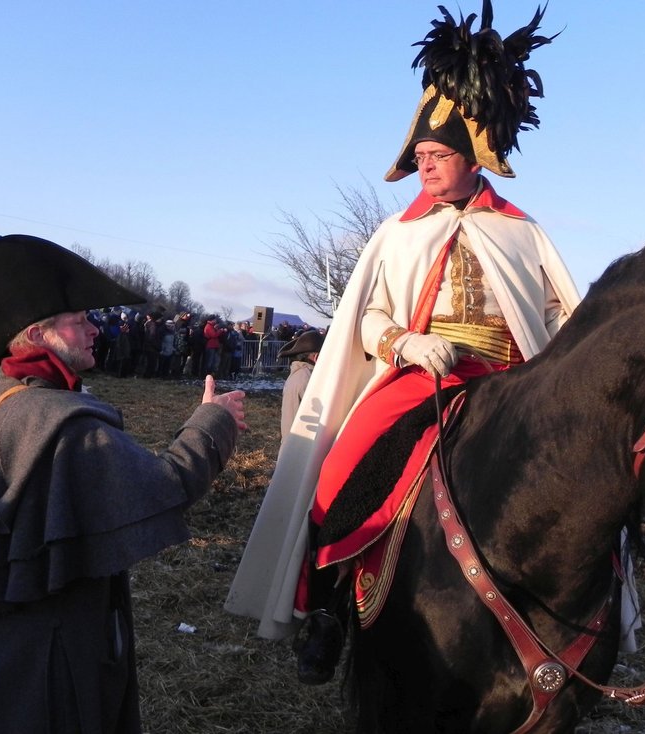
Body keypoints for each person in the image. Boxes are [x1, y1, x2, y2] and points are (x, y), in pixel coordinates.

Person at [225, 0, 582, 685]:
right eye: (420, 156)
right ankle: (329, 611)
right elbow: (368, 316)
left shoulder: (522, 233)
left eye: (438, 155)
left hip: (510, 377)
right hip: (423, 373)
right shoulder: (399, 234)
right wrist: (406, 344)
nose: (426, 167)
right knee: (339, 472)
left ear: (474, 156)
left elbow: (559, 312)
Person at [0, 175, 247, 733]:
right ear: (39, 334)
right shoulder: (57, 421)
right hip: (46, 663)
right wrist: (212, 423)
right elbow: (165, 485)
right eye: (79, 319)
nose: (94, 329)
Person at [277, 330, 324, 442]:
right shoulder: (307, 378)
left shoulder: (299, 374)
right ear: (317, 357)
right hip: (300, 444)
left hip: (293, 443)